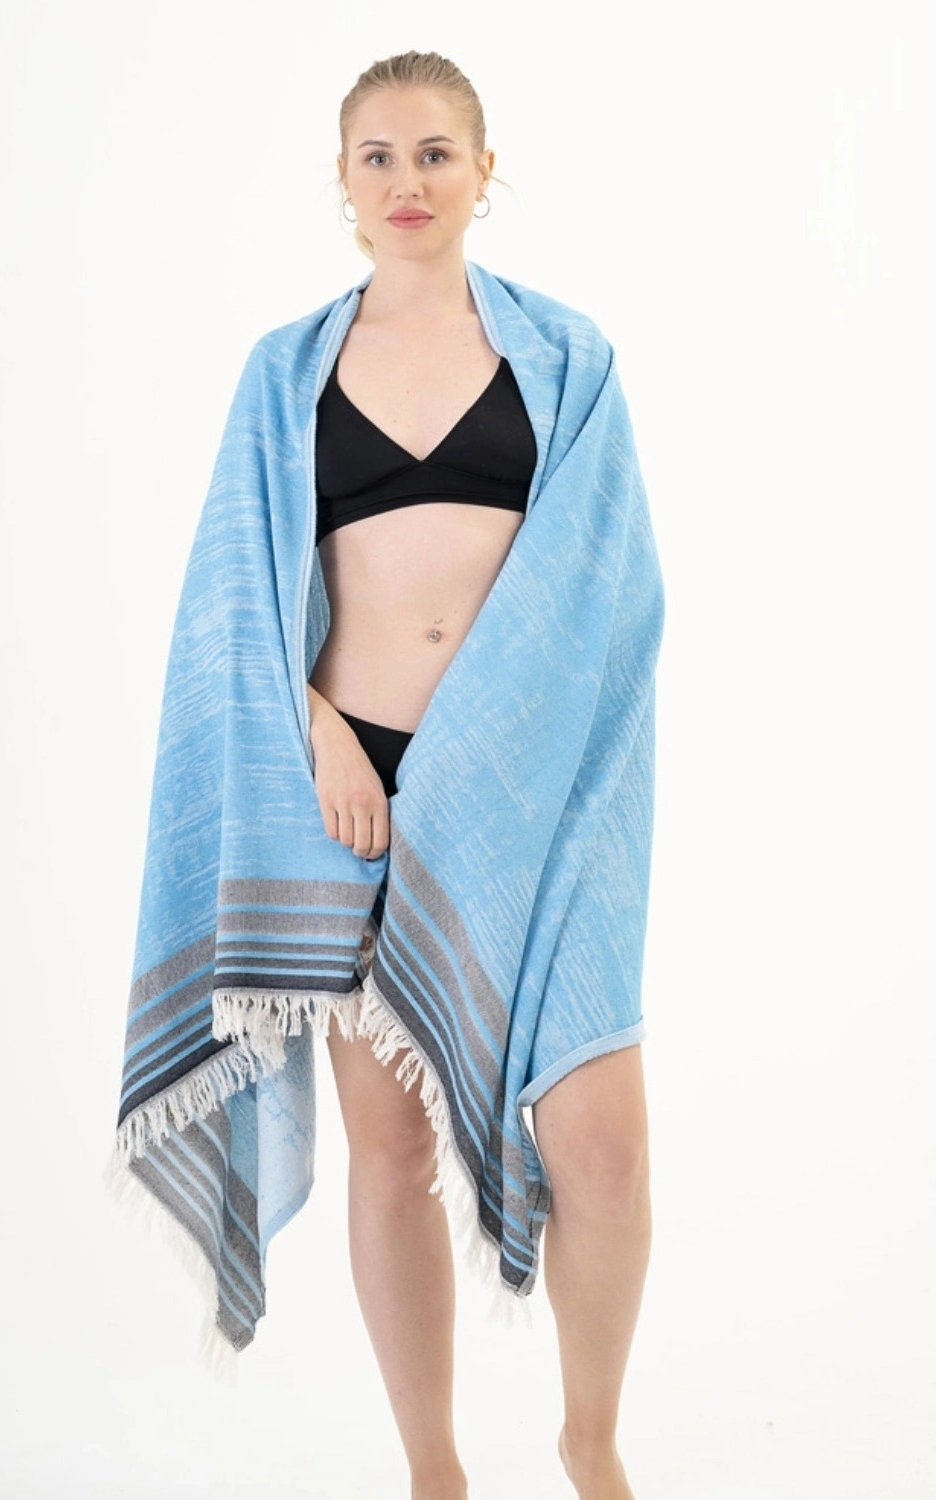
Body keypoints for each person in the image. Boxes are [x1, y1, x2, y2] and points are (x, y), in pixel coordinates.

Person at [309, 51, 651, 1500]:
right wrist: (318, 727)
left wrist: (492, 761)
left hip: (542, 793)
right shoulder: (286, 373)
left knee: (602, 1145)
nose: (408, 182)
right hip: (350, 798)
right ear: (342, 181)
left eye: (436, 153)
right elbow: (231, 603)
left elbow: (618, 593)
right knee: (389, 1153)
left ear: (485, 172)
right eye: (379, 156)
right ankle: (434, 1473)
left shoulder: (566, 359)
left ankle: (590, 1438)